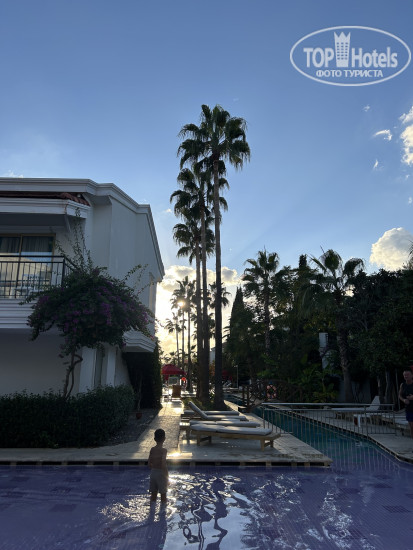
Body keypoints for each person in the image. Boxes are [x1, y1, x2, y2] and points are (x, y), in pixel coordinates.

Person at [148, 428, 168, 503]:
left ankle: (152, 509)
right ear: (164, 439)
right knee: (163, 495)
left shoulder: (152, 449)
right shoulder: (164, 451)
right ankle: (163, 509)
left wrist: (154, 467)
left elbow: (149, 463)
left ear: (154, 439)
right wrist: (167, 476)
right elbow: (163, 464)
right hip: (161, 474)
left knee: (153, 496)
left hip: (153, 473)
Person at [398, 368, 413, 438]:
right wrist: (403, 400)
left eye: (407, 375)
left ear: (412, 375)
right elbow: (399, 395)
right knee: (411, 426)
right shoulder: (402, 385)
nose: (406, 376)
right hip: (409, 408)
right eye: (404, 375)